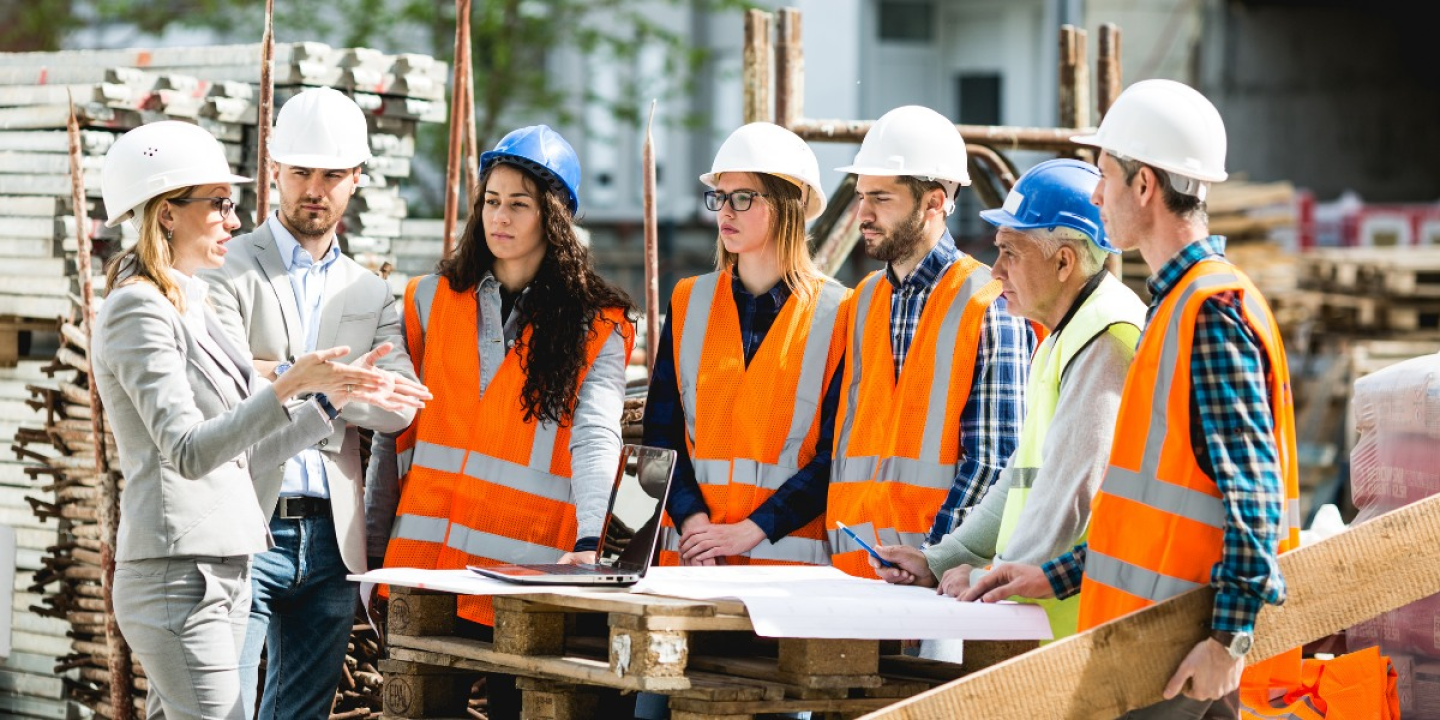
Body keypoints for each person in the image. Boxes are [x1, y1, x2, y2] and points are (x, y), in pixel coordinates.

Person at [960, 80, 1301, 719]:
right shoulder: (1177, 308)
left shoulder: (1211, 313)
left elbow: (1252, 495)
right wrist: (1053, 575)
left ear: (1144, 185)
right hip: (1149, 651)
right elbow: (1148, 510)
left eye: (1105, 176)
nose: (1096, 194)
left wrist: (1227, 641)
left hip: (1186, 663)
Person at [92, 120, 418, 720]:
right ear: (167, 213)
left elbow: (243, 455)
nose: (234, 219)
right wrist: (292, 381)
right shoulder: (136, 308)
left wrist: (329, 401)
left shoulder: (186, 305)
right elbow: (188, 453)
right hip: (179, 574)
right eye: (218, 204)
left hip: (220, 565)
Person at [367, 125, 635, 718]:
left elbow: (597, 436)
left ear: (556, 216)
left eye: (520, 203)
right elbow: (392, 438)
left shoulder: (598, 322)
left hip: (525, 579)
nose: (500, 217)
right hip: (424, 572)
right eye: (491, 200)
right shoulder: (428, 300)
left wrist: (592, 541)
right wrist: (370, 551)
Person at [200, 87, 429, 720]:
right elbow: (216, 386)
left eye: (332, 175)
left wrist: (292, 379)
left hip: (331, 537)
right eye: (301, 172)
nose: (314, 188)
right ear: (274, 172)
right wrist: (333, 382)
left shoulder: (372, 291)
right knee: (224, 706)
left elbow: (399, 408)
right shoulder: (224, 268)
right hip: (244, 521)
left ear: (356, 180)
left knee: (300, 712)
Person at [870, 159, 1146, 641]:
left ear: (1063, 261)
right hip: (1052, 622)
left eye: (1010, 253)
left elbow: (1069, 497)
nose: (995, 271)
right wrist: (944, 560)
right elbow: (1020, 481)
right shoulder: (1065, 335)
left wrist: (992, 577)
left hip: (1083, 631)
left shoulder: (1106, 337)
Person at [826, 105, 1035, 579]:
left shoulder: (988, 304)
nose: (863, 214)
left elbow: (993, 461)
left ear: (934, 202)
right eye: (861, 196)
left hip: (940, 582)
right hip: (852, 573)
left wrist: (936, 559)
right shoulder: (862, 303)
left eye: (881, 197)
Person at [644, 122, 847, 567]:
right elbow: (660, 436)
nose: (724, 213)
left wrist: (749, 531)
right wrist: (693, 521)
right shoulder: (689, 300)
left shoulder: (841, 315)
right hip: (692, 566)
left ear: (786, 204)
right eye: (720, 197)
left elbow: (836, 457)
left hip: (787, 578)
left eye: (742, 197)